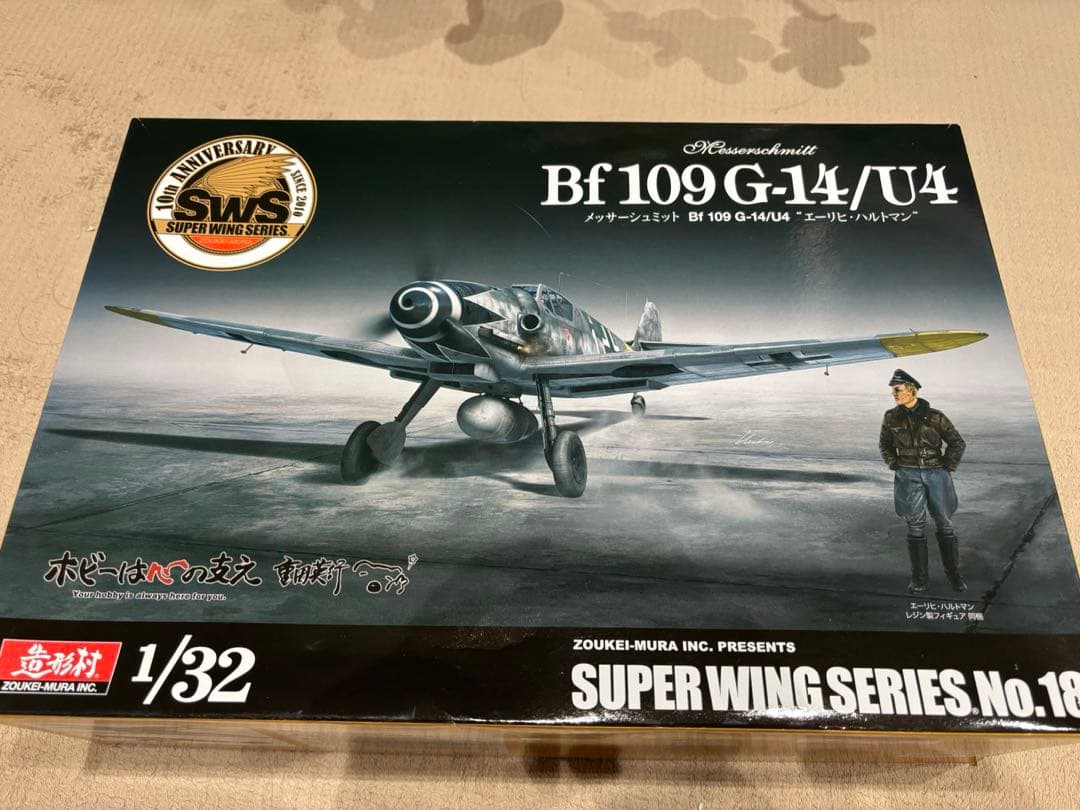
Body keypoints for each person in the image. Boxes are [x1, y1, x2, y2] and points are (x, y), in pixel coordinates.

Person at [878, 369, 967, 593]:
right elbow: (884, 445)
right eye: (893, 391)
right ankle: (919, 579)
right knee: (915, 526)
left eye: (897, 390)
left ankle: (954, 576)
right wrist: (895, 464)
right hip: (907, 475)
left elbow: (957, 443)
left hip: (936, 473)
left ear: (912, 390)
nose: (894, 394)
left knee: (944, 523)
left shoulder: (935, 417)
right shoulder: (890, 417)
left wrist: (947, 466)